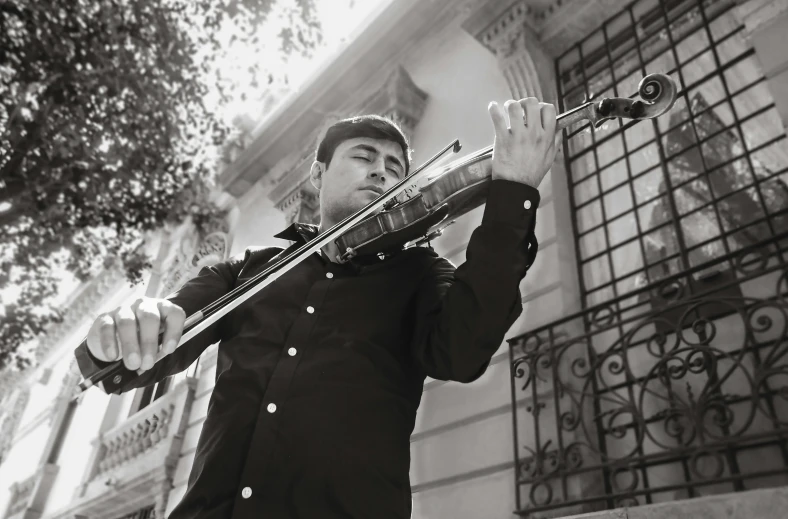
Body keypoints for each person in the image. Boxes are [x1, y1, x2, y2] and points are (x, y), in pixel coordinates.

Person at [74, 97, 560, 518]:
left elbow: (462, 353)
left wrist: (514, 194)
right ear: (318, 173)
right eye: (364, 156)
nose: (381, 171)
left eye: (394, 166)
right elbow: (144, 348)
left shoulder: (419, 272)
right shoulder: (247, 271)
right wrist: (121, 332)